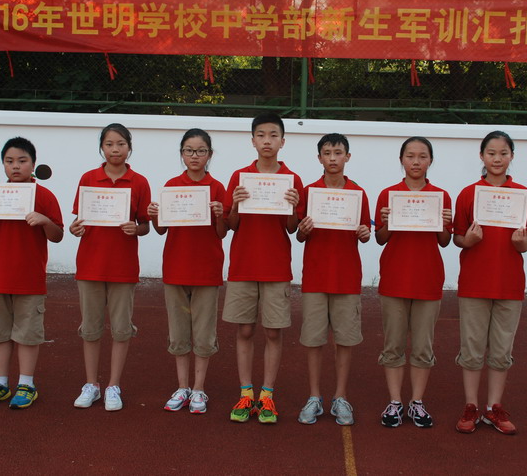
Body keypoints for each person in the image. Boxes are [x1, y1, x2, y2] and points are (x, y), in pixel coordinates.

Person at [452, 130, 527, 435]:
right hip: (475, 282)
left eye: (503, 153)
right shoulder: (468, 194)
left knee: (501, 351)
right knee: (472, 349)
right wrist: (469, 240)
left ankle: (494, 407)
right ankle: (471, 406)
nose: (497, 159)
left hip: (509, 284)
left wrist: (521, 243)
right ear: (481, 156)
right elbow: (457, 237)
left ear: (511, 156)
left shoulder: (522, 195)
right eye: (491, 153)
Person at [0, 137, 64, 409]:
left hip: (29, 279)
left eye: (22, 161)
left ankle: (27, 384)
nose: (15, 166)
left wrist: (44, 221)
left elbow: (58, 235)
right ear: (3, 165)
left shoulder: (44, 196)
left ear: (33, 164)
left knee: (27, 334)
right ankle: (0, 383)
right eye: (9, 161)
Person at [223, 112, 303, 424]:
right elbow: (231, 225)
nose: (267, 140)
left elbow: (292, 228)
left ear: (283, 141)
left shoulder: (292, 180)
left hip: (276, 266)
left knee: (272, 331)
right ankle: (246, 392)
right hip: (243, 264)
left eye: (273, 135)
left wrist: (293, 206)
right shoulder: (239, 177)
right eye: (261, 135)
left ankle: (267, 395)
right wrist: (234, 204)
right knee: (244, 329)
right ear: (253, 140)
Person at [70, 123, 151, 412]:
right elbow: (77, 220)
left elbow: (145, 225)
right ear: (101, 148)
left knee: (121, 329)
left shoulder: (139, 182)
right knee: (90, 329)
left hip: (122, 267)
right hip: (90, 265)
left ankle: (113, 385)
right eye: (109, 144)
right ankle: (91, 384)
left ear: (129, 147)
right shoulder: (88, 178)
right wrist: (75, 228)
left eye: (120, 144)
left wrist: (136, 228)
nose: (115, 149)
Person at [147, 128, 227, 415]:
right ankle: (182, 387)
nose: (195, 156)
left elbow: (222, 232)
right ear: (182, 154)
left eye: (201, 151)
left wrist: (220, 214)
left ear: (209, 154)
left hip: (206, 270)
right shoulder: (172, 185)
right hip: (176, 269)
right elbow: (161, 229)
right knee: (178, 332)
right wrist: (154, 216)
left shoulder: (217, 187)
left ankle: (199, 388)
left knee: (204, 333)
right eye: (189, 151)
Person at [374, 137, 452, 428]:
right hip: (395, 279)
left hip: (427, 279)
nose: (416, 162)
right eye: (410, 156)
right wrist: (385, 222)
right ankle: (395, 402)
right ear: (401, 160)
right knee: (393, 345)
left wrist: (444, 222)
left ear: (430, 161)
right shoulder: (388, 194)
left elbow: (444, 241)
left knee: (422, 347)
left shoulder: (441, 196)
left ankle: (417, 402)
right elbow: (380, 238)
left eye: (422, 156)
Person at [295, 133, 371, 426]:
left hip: (346, 278)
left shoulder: (358, 193)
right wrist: (303, 230)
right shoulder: (309, 191)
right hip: (315, 277)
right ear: (319, 158)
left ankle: (340, 396)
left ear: (347, 157)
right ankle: (314, 397)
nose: (333, 158)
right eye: (327, 153)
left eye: (338, 153)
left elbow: (364, 233)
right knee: (313, 341)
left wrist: (364, 233)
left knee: (344, 341)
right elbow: (299, 235)